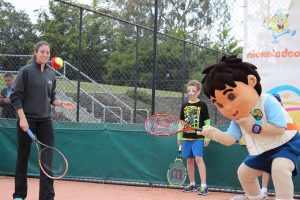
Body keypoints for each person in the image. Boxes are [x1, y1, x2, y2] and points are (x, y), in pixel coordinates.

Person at [199, 55, 300, 200]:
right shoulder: (237, 117)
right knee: (244, 173)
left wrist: (252, 126)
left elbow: (279, 129)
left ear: (251, 82)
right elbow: (229, 140)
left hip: (286, 144)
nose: (228, 108)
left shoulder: (268, 102)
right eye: (220, 105)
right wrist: (213, 133)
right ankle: (256, 197)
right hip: (263, 150)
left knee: (280, 168)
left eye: (231, 97)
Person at [10, 41, 75, 200]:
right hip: (27, 121)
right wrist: (22, 119)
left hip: (45, 121)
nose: (45, 55)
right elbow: (15, 97)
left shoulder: (51, 74)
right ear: (35, 52)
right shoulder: (25, 71)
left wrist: (59, 103)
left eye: (48, 52)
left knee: (47, 160)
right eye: (42, 52)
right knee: (22, 158)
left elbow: (51, 97)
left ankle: (47, 197)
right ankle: (19, 195)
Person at [177, 80, 211, 195]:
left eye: (194, 91)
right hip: (186, 138)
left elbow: (207, 122)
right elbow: (181, 122)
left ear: (198, 92)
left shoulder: (203, 105)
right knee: (189, 160)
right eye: (189, 90)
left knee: (198, 159)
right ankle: (192, 184)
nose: (191, 93)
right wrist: (179, 137)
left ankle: (204, 186)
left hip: (198, 138)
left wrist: (207, 137)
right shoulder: (184, 105)